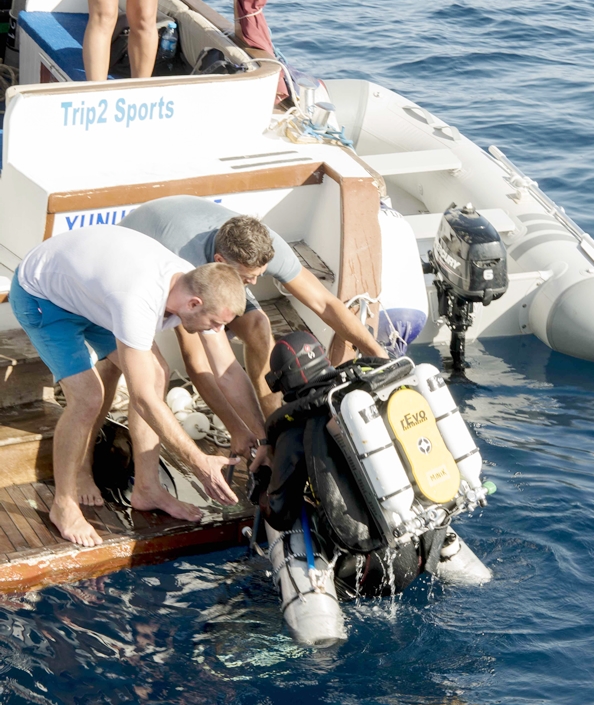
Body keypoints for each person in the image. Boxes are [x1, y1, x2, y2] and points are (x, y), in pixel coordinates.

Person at [9, 225, 268, 549]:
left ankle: (147, 488)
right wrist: (198, 461)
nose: (217, 331)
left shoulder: (198, 285)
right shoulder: (136, 299)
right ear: (193, 304)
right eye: (215, 324)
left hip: (92, 296)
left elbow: (227, 371)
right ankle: (64, 505)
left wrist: (262, 438)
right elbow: (143, 398)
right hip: (43, 297)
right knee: (88, 397)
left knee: (158, 371)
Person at [121, 195, 388, 417]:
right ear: (220, 261)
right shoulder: (186, 267)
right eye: (249, 278)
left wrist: (375, 351)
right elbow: (197, 362)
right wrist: (245, 433)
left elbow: (325, 303)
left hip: (185, 227)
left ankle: (273, 415)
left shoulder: (265, 245)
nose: (256, 282)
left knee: (259, 325)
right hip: (137, 257)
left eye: (261, 273)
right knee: (155, 375)